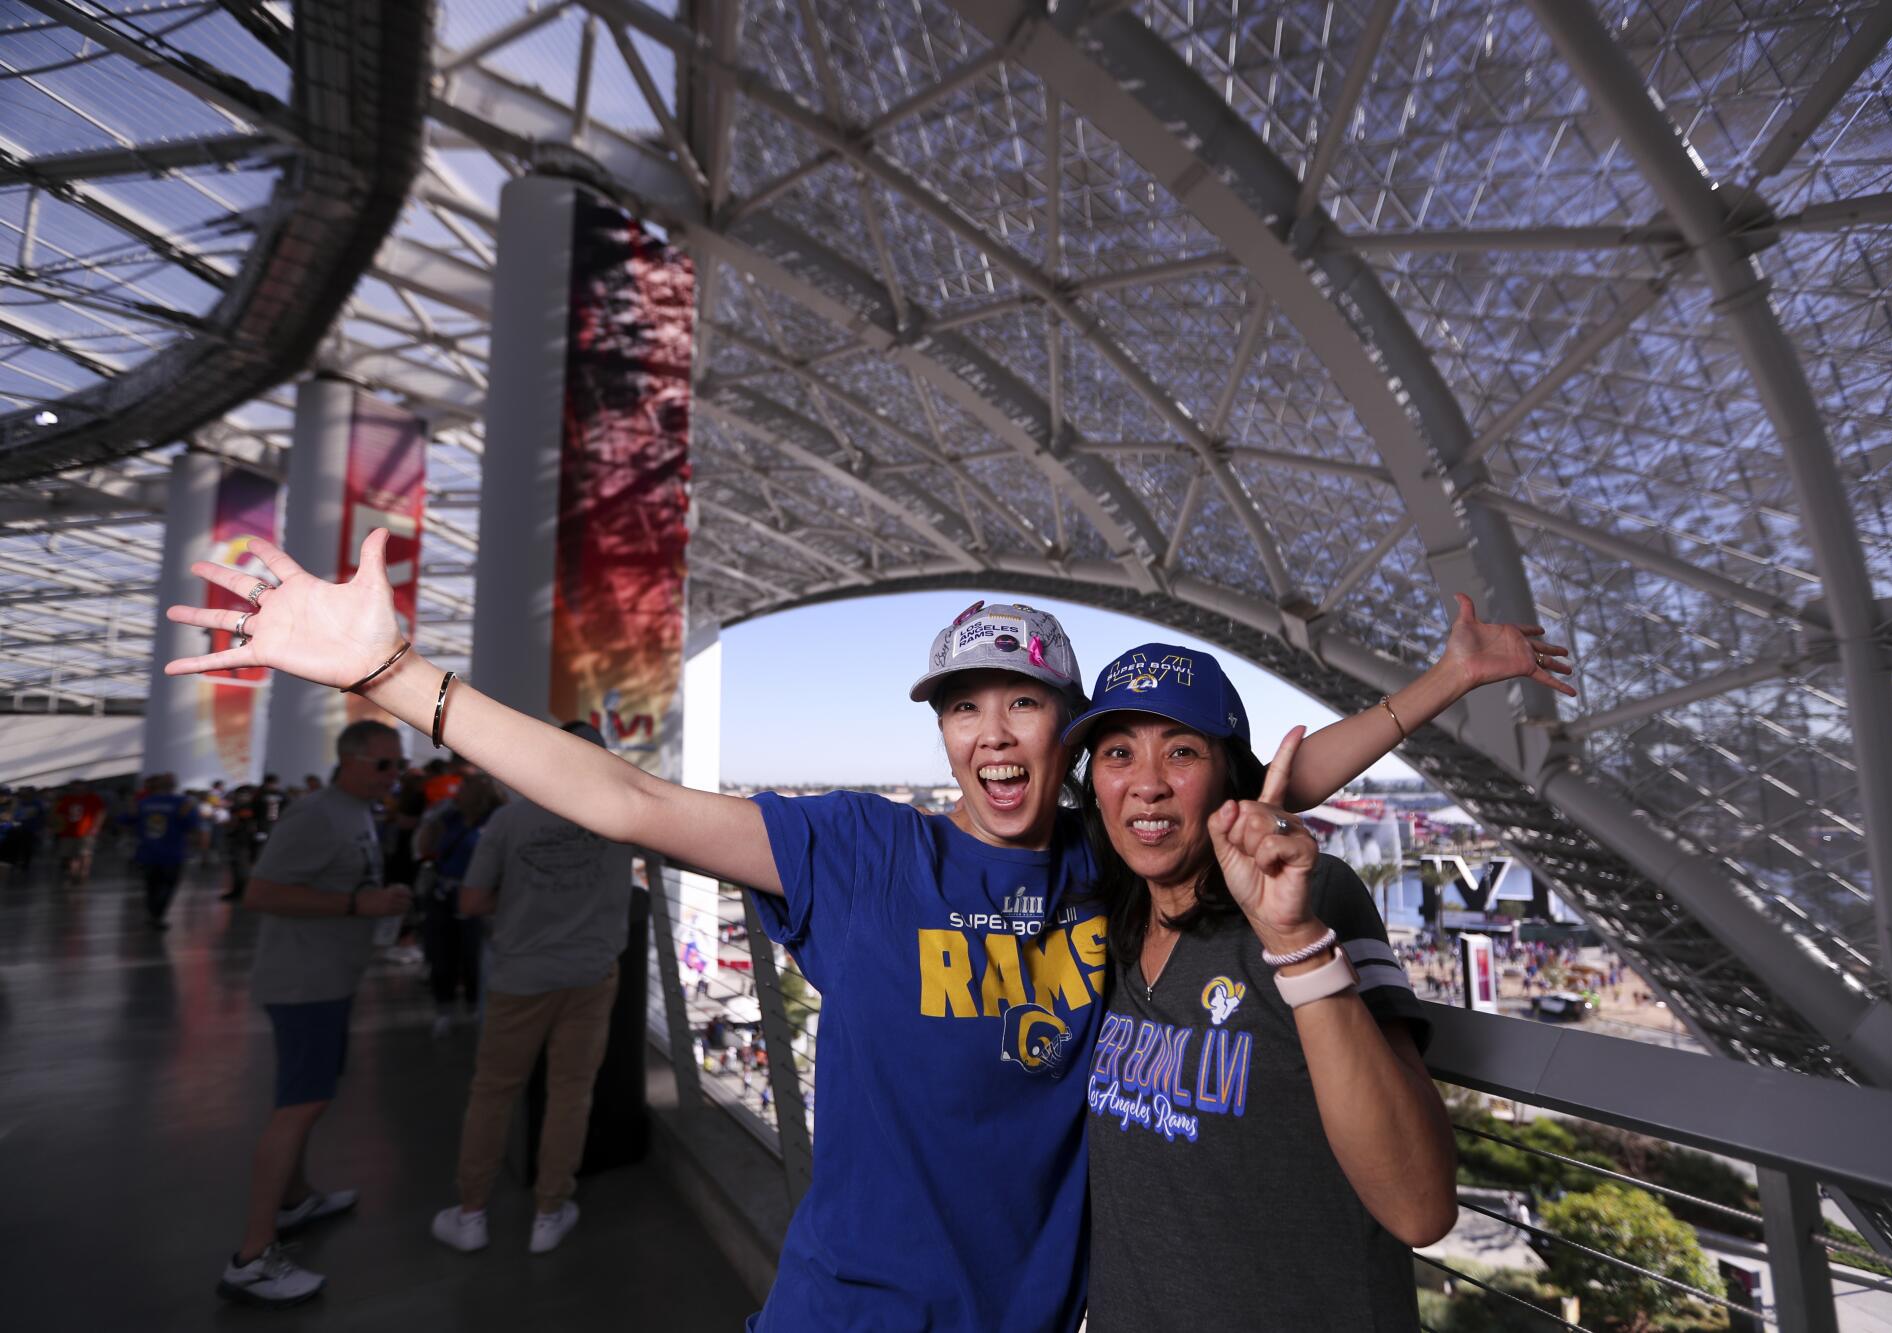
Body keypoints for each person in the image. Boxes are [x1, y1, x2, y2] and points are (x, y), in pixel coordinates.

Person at [164, 531, 1570, 1327]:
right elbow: (631, 800)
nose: (993, 732)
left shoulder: (1108, 860)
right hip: (855, 1306)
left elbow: (1263, 779)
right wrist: (401, 677)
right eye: (965, 707)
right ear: (947, 733)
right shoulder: (857, 851)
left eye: (1024, 704)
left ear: (1061, 740)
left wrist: (1441, 685)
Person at [1068, 644, 1517, 1330]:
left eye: (1182, 751)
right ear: (1094, 781)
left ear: (1228, 776)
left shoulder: (1312, 898)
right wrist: (1450, 673)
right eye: (1117, 753)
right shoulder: (1114, 917)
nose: (1147, 782)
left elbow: (1421, 1208)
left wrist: (1294, 941)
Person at [215, 720, 412, 1309]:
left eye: (397, 765)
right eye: (384, 764)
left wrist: (375, 903)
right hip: (304, 984)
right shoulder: (316, 815)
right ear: (350, 761)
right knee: (299, 1106)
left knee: (309, 1097)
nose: (394, 775)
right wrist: (357, 903)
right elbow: (262, 893)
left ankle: (296, 1196)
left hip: (328, 978)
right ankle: (253, 1255)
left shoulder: (355, 813)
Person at [431, 724, 638, 1257]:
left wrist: (522, 904)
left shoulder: (509, 820)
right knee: (571, 1094)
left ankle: (472, 1213)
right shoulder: (622, 820)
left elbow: (472, 902)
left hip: (520, 976)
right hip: (592, 975)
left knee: (494, 1092)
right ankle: (549, 1211)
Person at [415, 773, 504, 1036]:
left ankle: (476, 1004)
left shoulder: (494, 821)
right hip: (444, 893)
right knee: (441, 953)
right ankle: (444, 1008)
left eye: (464, 786)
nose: (457, 791)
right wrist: (431, 820)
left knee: (473, 952)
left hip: (477, 896)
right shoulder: (449, 817)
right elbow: (424, 848)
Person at [134, 773, 201, 928]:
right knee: (169, 885)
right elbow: (191, 824)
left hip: (148, 851)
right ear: (174, 786)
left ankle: (153, 913)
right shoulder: (182, 803)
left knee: (151, 885)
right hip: (172, 853)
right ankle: (158, 914)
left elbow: (129, 820)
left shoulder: (144, 802)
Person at [51, 779, 106, 886]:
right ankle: (73, 874)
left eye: (80, 786)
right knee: (71, 855)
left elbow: (101, 812)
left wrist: (96, 827)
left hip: (87, 832)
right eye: (75, 786)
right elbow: (59, 815)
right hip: (69, 832)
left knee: (85, 854)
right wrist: (56, 827)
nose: (77, 789)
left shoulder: (93, 798)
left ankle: (83, 873)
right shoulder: (67, 799)